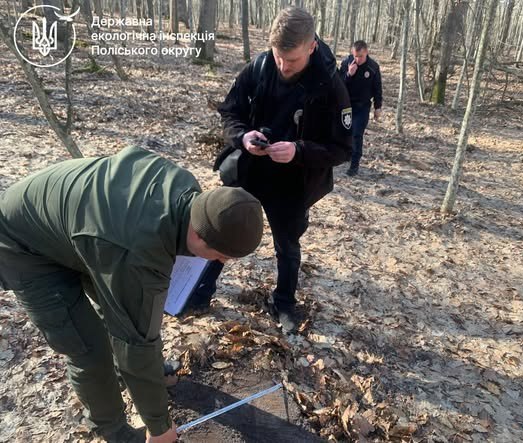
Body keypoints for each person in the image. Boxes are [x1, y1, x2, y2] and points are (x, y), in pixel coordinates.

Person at [0, 146, 264, 443]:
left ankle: (131, 375)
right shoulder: (136, 252)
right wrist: (160, 427)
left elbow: (131, 310)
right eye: (219, 255)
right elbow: (136, 340)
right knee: (88, 348)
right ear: (198, 233)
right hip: (24, 246)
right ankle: (112, 429)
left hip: (83, 230)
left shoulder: (186, 189)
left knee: (123, 311)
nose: (221, 262)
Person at [206, 6, 352, 333]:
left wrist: (299, 151)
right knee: (222, 227)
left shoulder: (330, 86)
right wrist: (243, 137)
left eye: (293, 60)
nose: (284, 67)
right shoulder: (260, 66)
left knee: (287, 246)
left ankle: (284, 302)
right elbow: (230, 112)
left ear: (312, 47)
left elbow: (343, 149)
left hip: (294, 182)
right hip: (250, 170)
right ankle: (201, 289)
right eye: (279, 57)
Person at [338, 40, 383, 176]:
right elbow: (338, 84)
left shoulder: (373, 67)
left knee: (357, 134)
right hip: (346, 105)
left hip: (362, 106)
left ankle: (354, 165)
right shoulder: (347, 63)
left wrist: (378, 107)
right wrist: (348, 74)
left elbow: (377, 88)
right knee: (344, 132)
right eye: (355, 56)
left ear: (366, 52)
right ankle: (345, 155)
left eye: (361, 56)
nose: (358, 59)